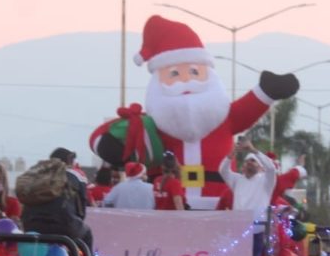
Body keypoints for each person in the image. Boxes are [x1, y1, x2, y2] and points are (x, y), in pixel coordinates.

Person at [90, 15, 300, 209]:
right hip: (171, 211)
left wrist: (266, 91)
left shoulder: (224, 118)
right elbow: (107, 135)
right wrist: (112, 143)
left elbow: (247, 110)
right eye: (173, 74)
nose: (185, 81)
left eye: (194, 72)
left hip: (216, 206)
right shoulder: (152, 126)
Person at [21, 147, 94, 252]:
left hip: (30, 225)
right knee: (87, 233)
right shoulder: (75, 175)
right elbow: (81, 211)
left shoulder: (37, 175)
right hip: (64, 226)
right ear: (69, 160)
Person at [219, 140, 277, 221]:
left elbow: (271, 168)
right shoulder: (237, 180)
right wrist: (233, 152)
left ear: (261, 167)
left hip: (258, 228)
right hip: (239, 227)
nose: (249, 162)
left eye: (253, 160)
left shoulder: (265, 181)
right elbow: (223, 170)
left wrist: (252, 149)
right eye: (246, 161)